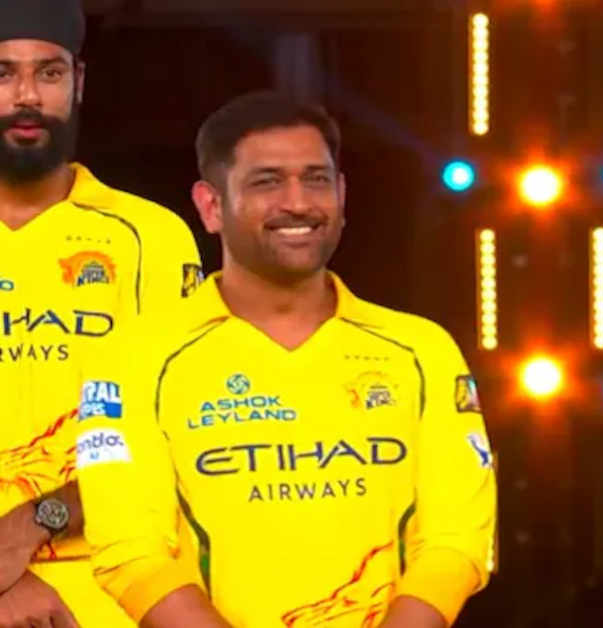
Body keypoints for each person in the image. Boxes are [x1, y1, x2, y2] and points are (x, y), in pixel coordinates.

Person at [75, 91, 496, 628]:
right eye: (267, 182)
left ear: (342, 194)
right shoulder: (133, 356)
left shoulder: (421, 349)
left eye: (316, 179)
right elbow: (131, 552)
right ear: (210, 206)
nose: (298, 203)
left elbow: (457, 540)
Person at [0, 0, 201, 625]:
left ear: (78, 81)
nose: (26, 96)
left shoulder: (151, 238)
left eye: (49, 73)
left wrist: (35, 522)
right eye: (2, 73)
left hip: (112, 593)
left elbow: (184, 427)